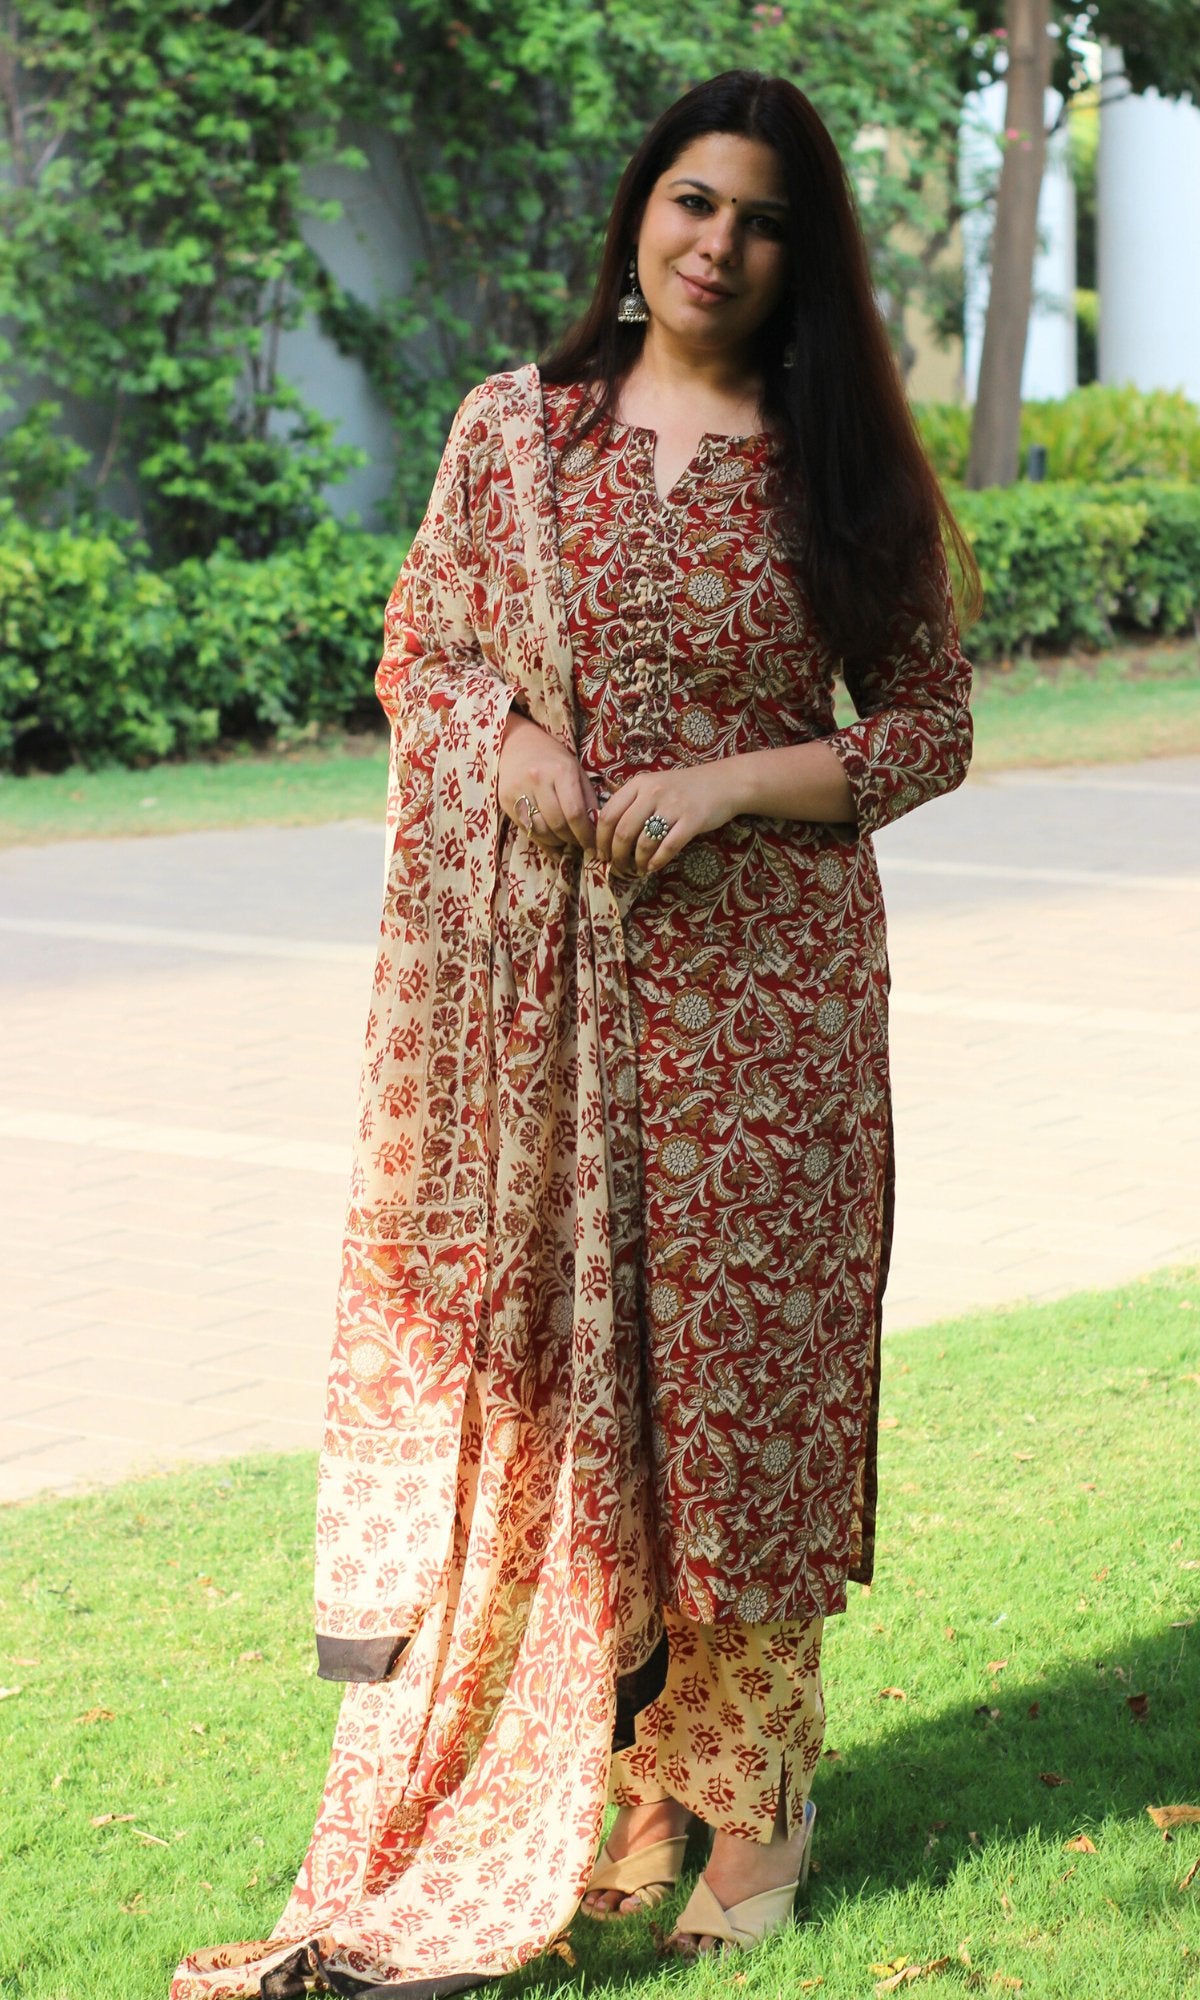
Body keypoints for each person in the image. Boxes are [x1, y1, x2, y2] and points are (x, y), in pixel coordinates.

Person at [171, 68, 976, 2000]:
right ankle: (626, 1781)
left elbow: (929, 729)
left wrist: (729, 789)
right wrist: (512, 744)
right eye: (693, 201)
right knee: (579, 1414)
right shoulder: (512, 436)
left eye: (764, 219)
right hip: (552, 1027)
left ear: (807, 257)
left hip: (768, 1019)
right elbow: (420, 654)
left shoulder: (835, 466)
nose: (718, 243)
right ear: (639, 211)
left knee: (744, 1412)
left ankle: (762, 1796)